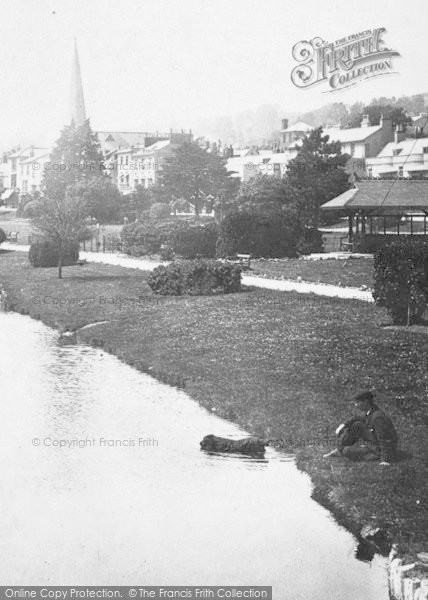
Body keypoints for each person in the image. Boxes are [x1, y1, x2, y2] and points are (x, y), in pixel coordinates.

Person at [323, 390, 398, 465]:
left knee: (346, 451)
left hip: (379, 450)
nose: (355, 405)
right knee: (357, 425)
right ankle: (339, 450)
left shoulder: (377, 417)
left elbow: (384, 439)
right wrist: (343, 425)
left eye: (357, 402)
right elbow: (356, 418)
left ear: (365, 402)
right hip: (374, 443)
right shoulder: (371, 411)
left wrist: (385, 460)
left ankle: (374, 456)